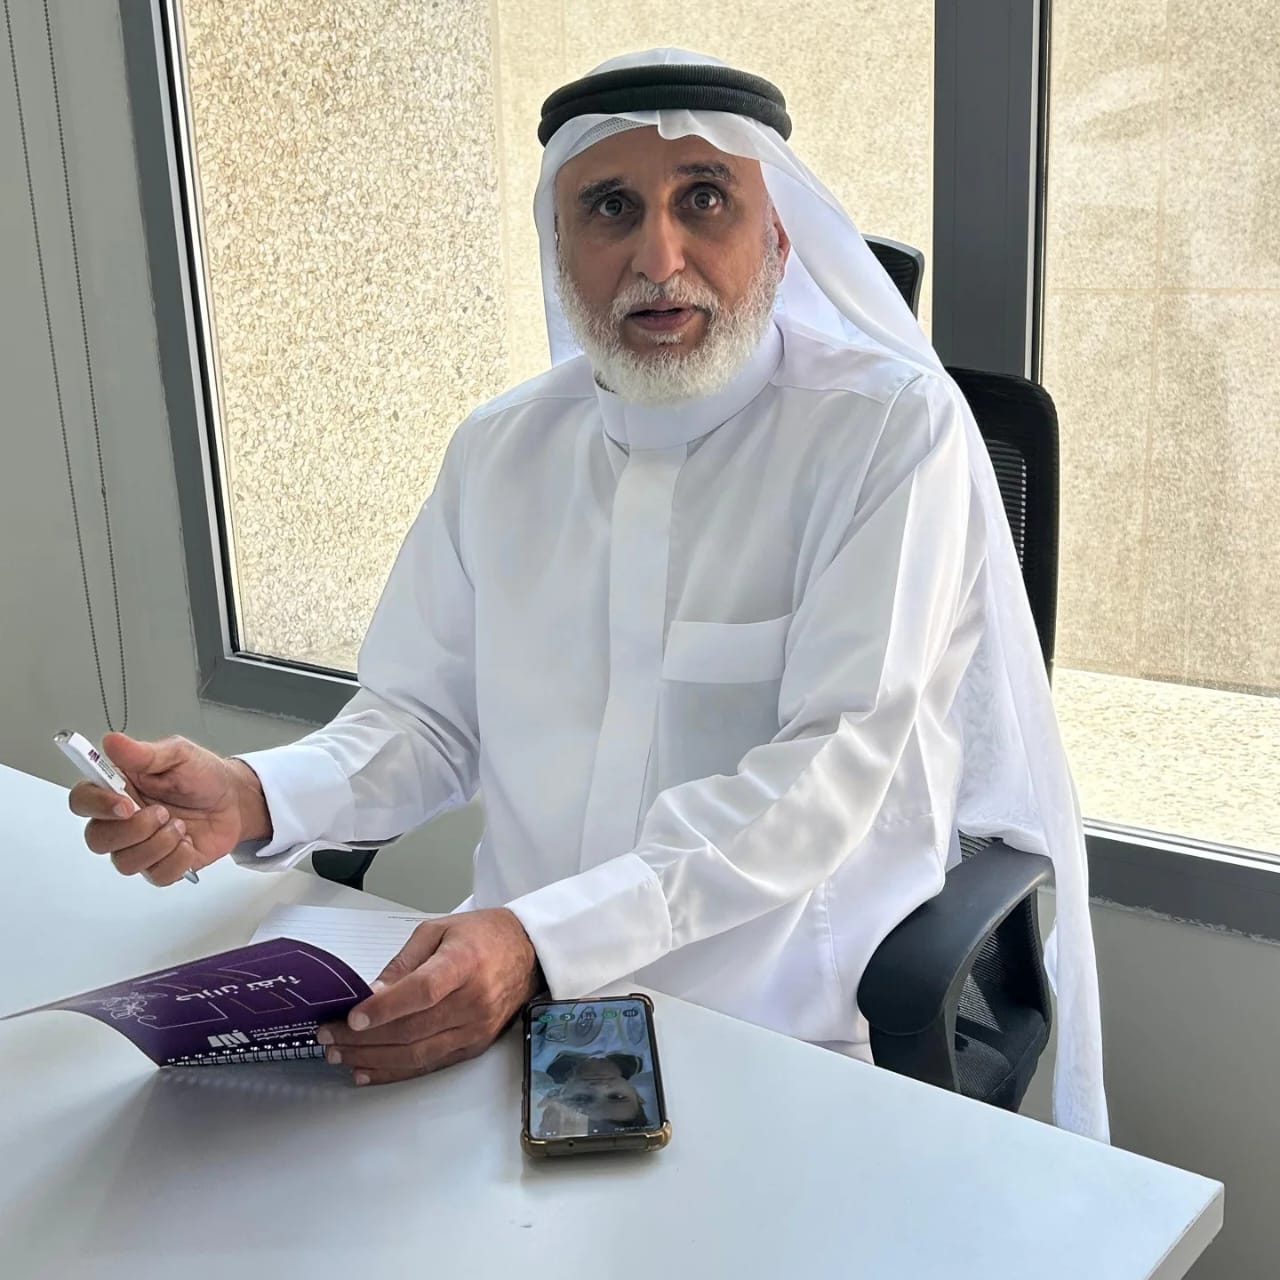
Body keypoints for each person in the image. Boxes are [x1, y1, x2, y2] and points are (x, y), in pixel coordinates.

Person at [69, 49, 1108, 1140]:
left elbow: (826, 773)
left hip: (776, 1028)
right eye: (610, 207)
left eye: (703, 198)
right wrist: (256, 793)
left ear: (778, 235)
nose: (658, 256)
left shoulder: (889, 435)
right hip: (502, 1002)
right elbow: (425, 719)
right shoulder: (501, 449)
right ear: (558, 245)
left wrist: (539, 939)